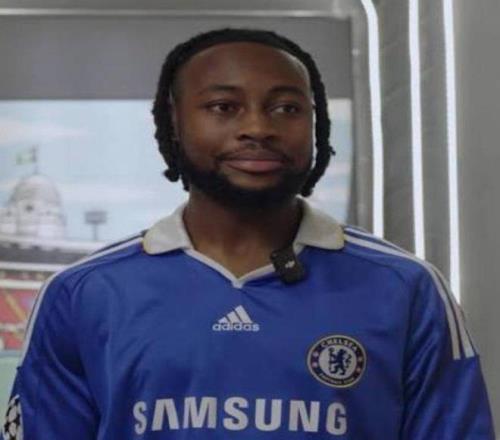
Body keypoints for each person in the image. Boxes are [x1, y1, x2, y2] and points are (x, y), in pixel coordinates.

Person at [2, 28, 495, 440]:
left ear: (316, 125)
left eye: (286, 109)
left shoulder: (405, 287)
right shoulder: (83, 292)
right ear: (173, 124)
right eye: (224, 107)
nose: (258, 127)